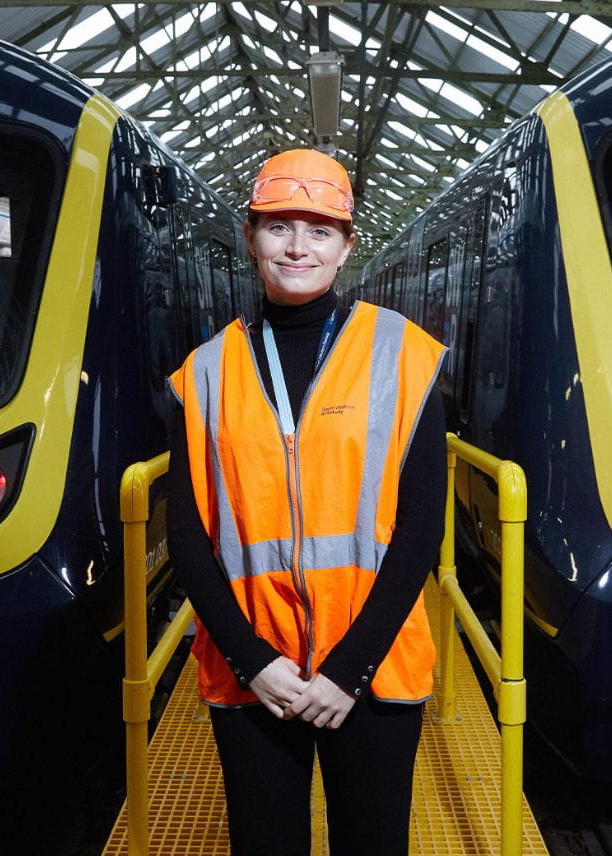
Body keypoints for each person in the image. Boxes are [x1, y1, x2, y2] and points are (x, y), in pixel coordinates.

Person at [166, 148, 447, 856]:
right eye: (280, 226)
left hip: (371, 670)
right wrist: (252, 658)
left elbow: (420, 531)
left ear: (348, 245)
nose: (298, 246)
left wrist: (348, 669)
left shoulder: (404, 355)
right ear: (251, 237)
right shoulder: (204, 373)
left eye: (319, 230)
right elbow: (188, 535)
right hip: (252, 672)